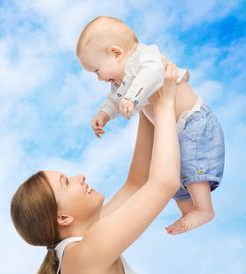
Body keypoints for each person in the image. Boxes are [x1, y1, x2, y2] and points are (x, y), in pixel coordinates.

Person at [10, 63, 180, 274]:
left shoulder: (86, 244)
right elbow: (163, 183)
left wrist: (147, 93)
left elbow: (137, 183)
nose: (81, 177)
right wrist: (165, 105)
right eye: (67, 182)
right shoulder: (83, 256)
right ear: (62, 217)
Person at [76, 16, 225, 235]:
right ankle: (187, 211)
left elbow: (152, 75)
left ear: (116, 53)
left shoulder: (145, 58)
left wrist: (132, 98)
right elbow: (113, 100)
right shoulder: (119, 81)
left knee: (192, 166)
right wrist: (103, 115)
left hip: (193, 120)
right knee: (173, 171)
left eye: (96, 70)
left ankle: (204, 208)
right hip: (175, 129)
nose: (98, 78)